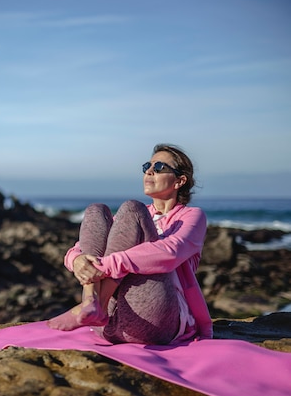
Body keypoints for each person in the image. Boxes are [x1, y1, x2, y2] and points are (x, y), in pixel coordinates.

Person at [47, 143, 212, 344]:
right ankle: (91, 302)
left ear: (180, 181)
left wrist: (103, 266)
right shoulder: (133, 217)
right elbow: (81, 245)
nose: (149, 172)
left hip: (156, 320)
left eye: (159, 168)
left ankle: (96, 303)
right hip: (106, 324)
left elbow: (170, 252)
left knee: (132, 208)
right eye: (147, 167)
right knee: (95, 210)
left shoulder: (192, 216)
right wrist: (77, 260)